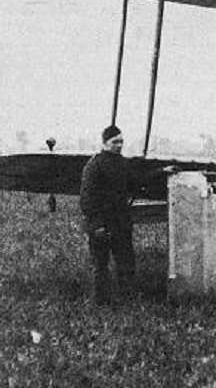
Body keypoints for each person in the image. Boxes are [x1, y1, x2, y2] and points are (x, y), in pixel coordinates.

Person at [79, 125, 135, 305]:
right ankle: (101, 301)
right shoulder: (94, 165)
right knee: (100, 265)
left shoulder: (123, 163)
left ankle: (126, 299)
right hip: (102, 223)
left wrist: (162, 173)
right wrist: (96, 225)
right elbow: (87, 198)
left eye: (121, 142)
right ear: (104, 143)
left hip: (121, 223)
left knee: (125, 262)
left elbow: (138, 181)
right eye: (115, 142)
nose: (119, 145)